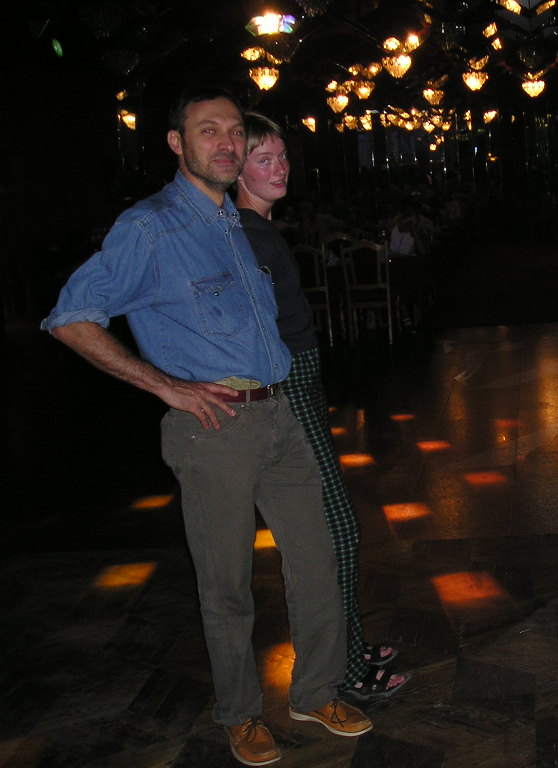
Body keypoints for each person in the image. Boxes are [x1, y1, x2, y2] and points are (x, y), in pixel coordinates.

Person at [41, 86, 372, 767]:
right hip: (214, 428)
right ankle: (240, 713)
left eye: (233, 131)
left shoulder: (232, 223)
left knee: (318, 564)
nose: (226, 142)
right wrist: (166, 386)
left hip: (279, 413)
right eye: (208, 130)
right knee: (227, 585)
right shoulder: (150, 228)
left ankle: (315, 691)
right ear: (176, 143)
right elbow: (71, 318)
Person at [234, 111, 410, 702]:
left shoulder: (259, 229)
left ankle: (348, 645)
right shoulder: (247, 234)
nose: (280, 167)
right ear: (236, 169)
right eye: (263, 158)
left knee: (336, 530)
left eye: (282, 155)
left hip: (298, 379)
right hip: (287, 385)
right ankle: (346, 668)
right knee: (336, 531)